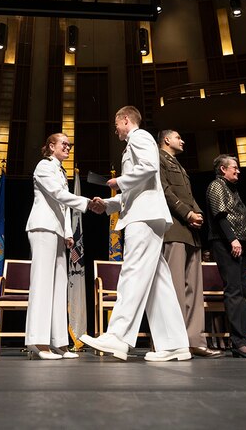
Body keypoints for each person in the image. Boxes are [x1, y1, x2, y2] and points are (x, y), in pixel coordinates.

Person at [81, 106, 191, 362]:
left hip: (144, 217)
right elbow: (139, 187)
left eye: (116, 124)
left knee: (131, 271)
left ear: (126, 120)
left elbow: (150, 167)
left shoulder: (139, 137)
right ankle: (175, 344)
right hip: (145, 213)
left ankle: (118, 336)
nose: (116, 129)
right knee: (157, 284)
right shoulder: (134, 142)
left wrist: (118, 180)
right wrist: (108, 204)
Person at [24, 133, 90, 360]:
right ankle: (38, 341)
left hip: (58, 231)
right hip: (42, 227)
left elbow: (62, 207)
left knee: (60, 284)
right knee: (43, 283)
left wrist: (69, 233)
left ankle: (59, 342)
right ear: (51, 146)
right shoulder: (44, 166)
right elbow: (59, 195)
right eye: (64, 144)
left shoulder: (61, 171)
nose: (68, 148)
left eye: (70, 145)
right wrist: (88, 203)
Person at [158, 129, 222, 359]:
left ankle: (195, 340)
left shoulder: (180, 165)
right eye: (178, 137)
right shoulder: (158, 158)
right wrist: (187, 214)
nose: (182, 140)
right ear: (166, 139)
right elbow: (164, 191)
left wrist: (197, 213)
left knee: (194, 290)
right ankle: (175, 342)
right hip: (174, 228)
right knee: (174, 287)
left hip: (191, 231)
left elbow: (187, 194)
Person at [204, 155, 246, 358]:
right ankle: (238, 342)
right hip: (226, 243)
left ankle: (243, 340)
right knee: (233, 290)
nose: (238, 171)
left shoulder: (232, 189)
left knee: (242, 291)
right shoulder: (216, 185)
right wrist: (232, 240)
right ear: (223, 169)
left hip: (240, 243)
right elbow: (220, 215)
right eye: (235, 168)